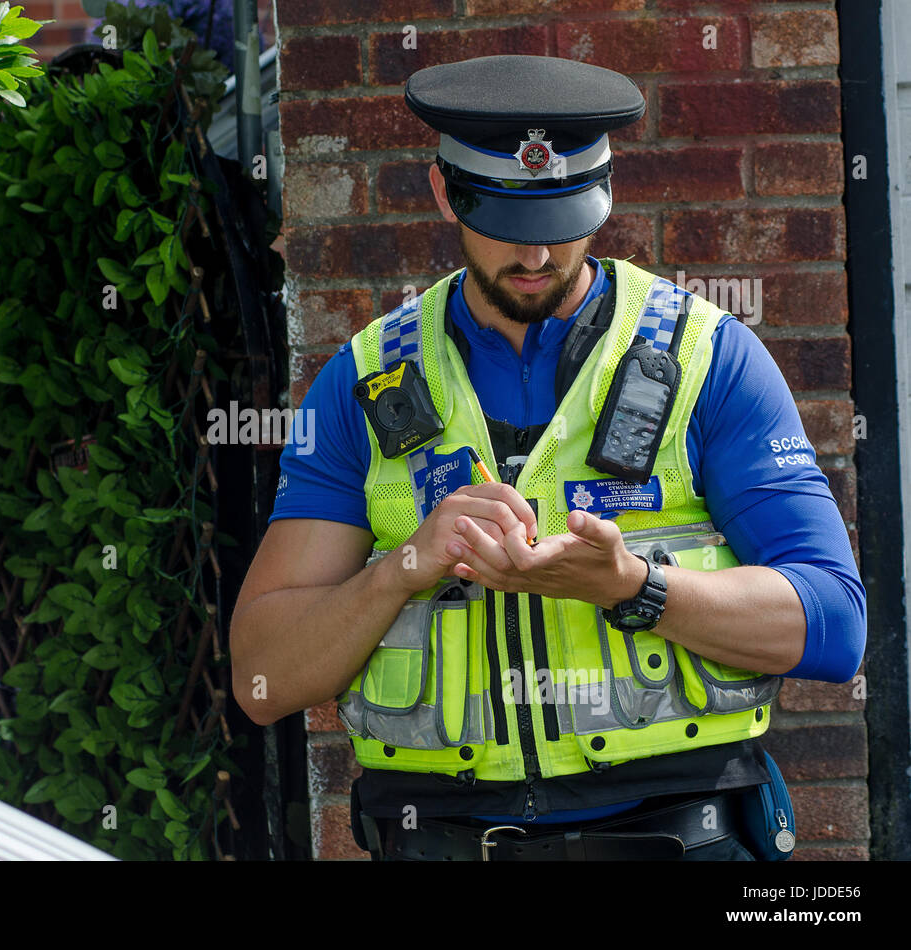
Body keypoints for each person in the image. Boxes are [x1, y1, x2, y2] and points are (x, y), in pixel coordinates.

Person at [231, 55, 866, 860]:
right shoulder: (361, 383)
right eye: (506, 226)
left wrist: (634, 588)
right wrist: (401, 569)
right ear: (442, 193)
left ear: (606, 191)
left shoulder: (711, 359)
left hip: (677, 839)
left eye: (562, 224)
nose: (535, 260)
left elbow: (836, 626)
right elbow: (262, 679)